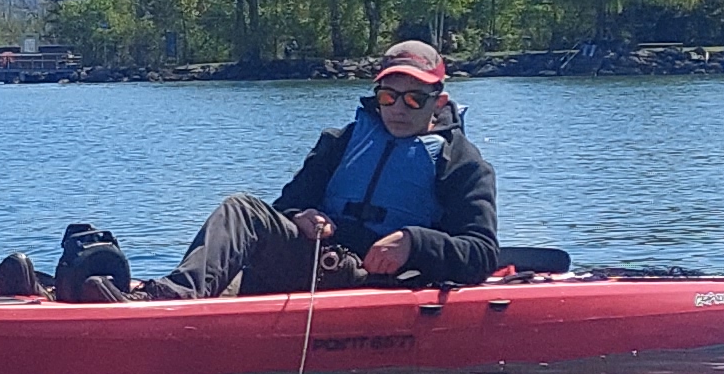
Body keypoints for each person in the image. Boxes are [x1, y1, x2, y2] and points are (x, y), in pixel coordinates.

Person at [145, 39, 497, 296]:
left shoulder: (462, 164)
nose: (398, 109)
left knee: (244, 215)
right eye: (388, 96)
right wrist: (300, 216)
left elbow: (481, 254)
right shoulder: (340, 143)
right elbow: (285, 208)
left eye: (414, 99)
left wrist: (414, 243)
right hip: (318, 262)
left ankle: (174, 301)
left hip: (378, 280)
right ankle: (168, 298)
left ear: (439, 102)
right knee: (243, 211)